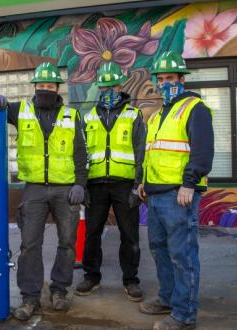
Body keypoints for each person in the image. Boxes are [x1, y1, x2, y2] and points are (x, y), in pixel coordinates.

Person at [0, 62, 87, 320]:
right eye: (41, 85)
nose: (45, 89)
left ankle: (59, 291)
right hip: (34, 190)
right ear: (35, 87)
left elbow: (80, 153)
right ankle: (30, 298)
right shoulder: (21, 111)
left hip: (65, 190)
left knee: (67, 243)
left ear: (57, 88)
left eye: (50, 85)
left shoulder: (71, 115)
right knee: (30, 244)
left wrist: (80, 184)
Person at [138, 51, 214, 330]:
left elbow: (203, 152)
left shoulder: (195, 108)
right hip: (156, 194)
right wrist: (143, 181)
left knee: (182, 255)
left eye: (169, 78)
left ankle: (184, 315)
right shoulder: (159, 114)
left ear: (182, 79)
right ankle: (167, 298)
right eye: (159, 79)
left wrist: (189, 183)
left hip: (179, 194)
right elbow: (153, 152)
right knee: (159, 249)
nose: (163, 83)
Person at [75, 62, 145, 301]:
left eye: (112, 86)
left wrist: (138, 184)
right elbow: (82, 153)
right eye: (103, 87)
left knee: (129, 234)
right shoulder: (89, 117)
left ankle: (131, 280)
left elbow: (140, 151)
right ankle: (91, 277)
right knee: (92, 232)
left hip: (124, 184)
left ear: (120, 85)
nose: (108, 91)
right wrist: (81, 184)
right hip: (95, 185)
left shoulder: (133, 115)